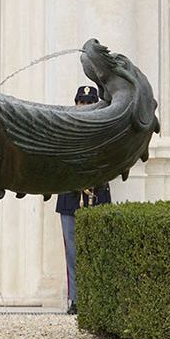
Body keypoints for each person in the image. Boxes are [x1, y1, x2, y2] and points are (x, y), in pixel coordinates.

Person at [56, 85, 113, 314]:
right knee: (72, 252)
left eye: (90, 103)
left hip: (97, 196)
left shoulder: (106, 131)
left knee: (99, 250)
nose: (86, 107)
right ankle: (76, 300)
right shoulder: (65, 131)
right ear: (76, 104)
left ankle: (98, 300)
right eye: (82, 102)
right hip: (70, 196)